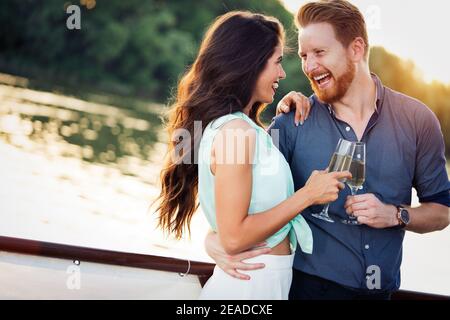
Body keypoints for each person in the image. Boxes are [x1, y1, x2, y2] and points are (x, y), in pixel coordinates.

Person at [204, 0, 450, 300]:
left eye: (319, 53)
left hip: (379, 294)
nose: (308, 67)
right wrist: (212, 239)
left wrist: (396, 215)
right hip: (303, 289)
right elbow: (233, 186)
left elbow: (442, 212)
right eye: (305, 56)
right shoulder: (292, 122)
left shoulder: (418, 121)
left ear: (356, 49)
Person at [154, 10, 351, 300]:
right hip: (250, 286)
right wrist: (308, 195)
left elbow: (230, 215)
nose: (283, 74)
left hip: (261, 282)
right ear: (251, 64)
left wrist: (283, 108)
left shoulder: (239, 128)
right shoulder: (237, 132)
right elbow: (233, 238)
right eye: (278, 63)